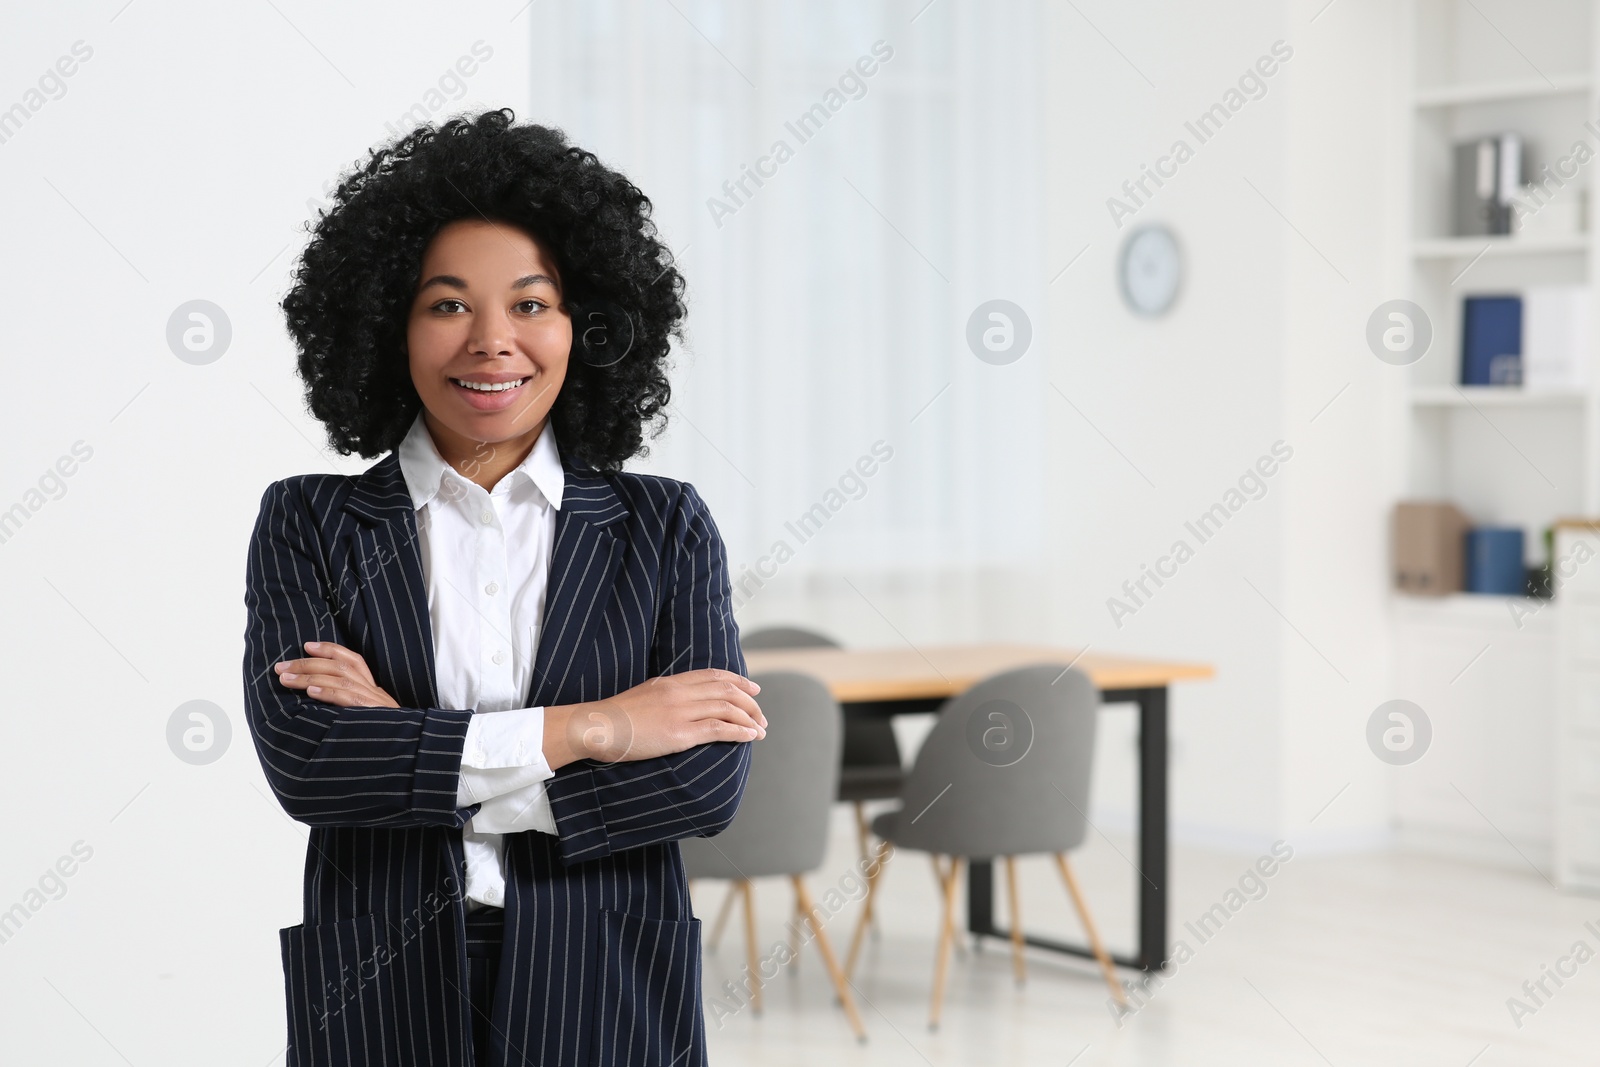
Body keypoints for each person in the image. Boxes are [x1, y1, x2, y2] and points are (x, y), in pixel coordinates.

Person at [242, 108, 766, 1067]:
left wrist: (411, 747)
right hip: (380, 988)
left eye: (531, 304)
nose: (492, 342)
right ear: (387, 323)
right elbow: (313, 764)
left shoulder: (665, 524)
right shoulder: (307, 520)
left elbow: (704, 778)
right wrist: (596, 727)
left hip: (605, 985)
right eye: (447, 305)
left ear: (587, 325)